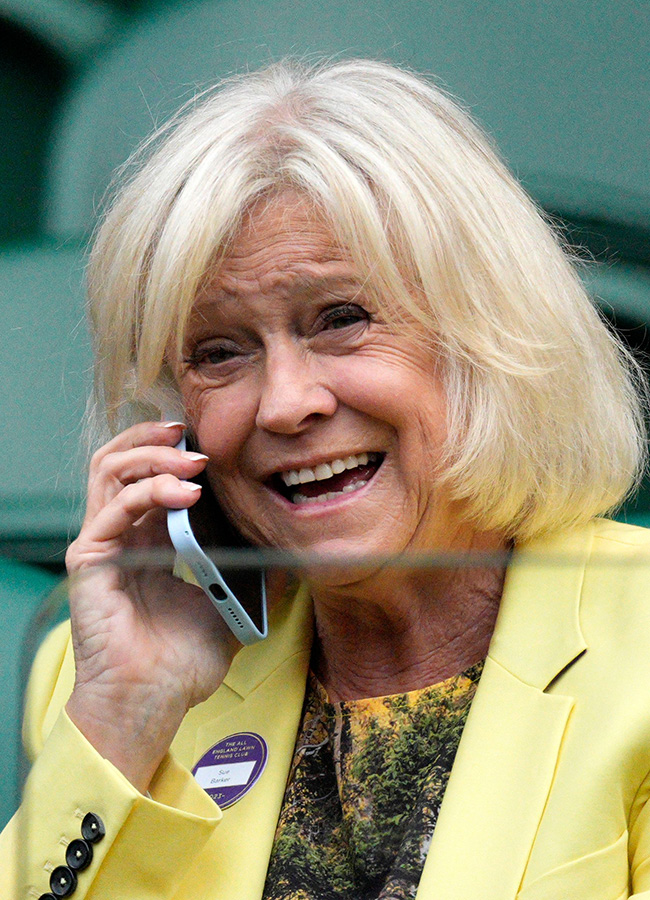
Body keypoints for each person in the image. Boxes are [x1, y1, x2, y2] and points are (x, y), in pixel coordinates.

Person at [3, 58, 650, 900]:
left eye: (342, 320)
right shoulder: (98, 681)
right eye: (219, 352)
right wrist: (128, 713)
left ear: (487, 339)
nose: (285, 403)